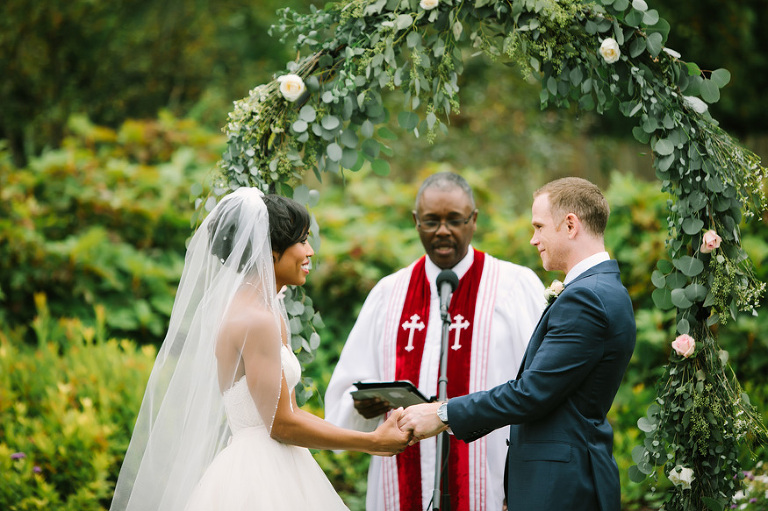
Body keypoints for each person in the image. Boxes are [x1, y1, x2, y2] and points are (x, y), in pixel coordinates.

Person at [109, 188, 410, 511]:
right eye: (301, 241)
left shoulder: (260, 309)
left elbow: (290, 412)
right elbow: (281, 424)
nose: (310, 251)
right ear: (271, 251)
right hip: (259, 475)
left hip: (274, 460)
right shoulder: (257, 320)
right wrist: (371, 442)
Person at [398, 177, 637, 511]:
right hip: (561, 478)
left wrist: (443, 413)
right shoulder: (603, 289)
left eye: (539, 227)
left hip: (562, 487)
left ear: (570, 225)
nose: (533, 239)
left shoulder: (586, 298)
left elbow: (532, 393)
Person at [324, 172, 546, 511]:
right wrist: (362, 406)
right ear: (416, 221)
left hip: (490, 476)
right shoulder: (389, 294)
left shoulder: (514, 287)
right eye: (431, 221)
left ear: (473, 220)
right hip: (402, 480)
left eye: (454, 220)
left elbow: (539, 387)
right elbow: (346, 391)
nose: (442, 231)